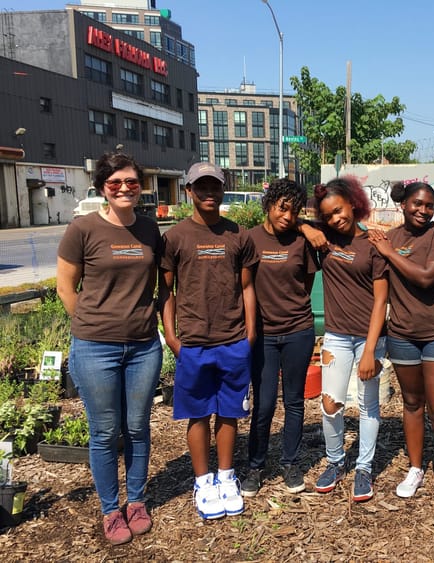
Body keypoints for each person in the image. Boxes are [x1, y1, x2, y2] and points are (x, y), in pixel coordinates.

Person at [57, 152, 162, 545]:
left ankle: (135, 501)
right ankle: (109, 509)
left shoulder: (150, 230)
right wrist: (88, 325)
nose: (124, 189)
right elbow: (66, 287)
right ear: (103, 186)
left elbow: (160, 283)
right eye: (115, 183)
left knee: (137, 427)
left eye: (131, 182)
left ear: (141, 186)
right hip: (94, 348)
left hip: (142, 347)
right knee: (104, 432)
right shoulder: (83, 229)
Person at [160, 162, 256, 520]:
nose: (209, 194)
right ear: (189, 192)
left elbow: (247, 287)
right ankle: (203, 480)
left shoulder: (238, 235)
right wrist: (172, 337)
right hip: (194, 343)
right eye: (201, 188)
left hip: (233, 340)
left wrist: (250, 334)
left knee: (230, 412)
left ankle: (226, 477)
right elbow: (165, 291)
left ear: (223, 189)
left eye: (214, 187)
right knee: (198, 414)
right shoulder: (175, 237)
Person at [369, 181, 434, 511]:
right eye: (416, 204)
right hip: (403, 334)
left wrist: (389, 253)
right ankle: (415, 468)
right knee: (411, 404)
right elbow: (379, 287)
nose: (422, 210)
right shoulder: (390, 238)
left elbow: (427, 277)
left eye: (428, 205)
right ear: (403, 203)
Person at [310, 176, 388, 502]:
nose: (336, 219)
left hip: (370, 338)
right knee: (330, 404)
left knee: (368, 405)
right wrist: (307, 228)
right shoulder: (323, 239)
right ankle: (335, 461)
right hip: (337, 337)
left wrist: (370, 350)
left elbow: (381, 301)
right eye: (327, 216)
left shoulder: (373, 242)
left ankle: (364, 467)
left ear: (353, 203)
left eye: (339, 210)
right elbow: (282, 221)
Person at [242, 178, 317, 497]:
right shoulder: (250, 240)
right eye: (282, 208)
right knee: (265, 403)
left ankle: (290, 462)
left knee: (295, 400)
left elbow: (307, 283)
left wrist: (304, 226)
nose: (287, 215)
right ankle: (256, 466)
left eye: (294, 211)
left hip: (299, 330)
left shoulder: (302, 242)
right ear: (269, 205)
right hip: (264, 335)